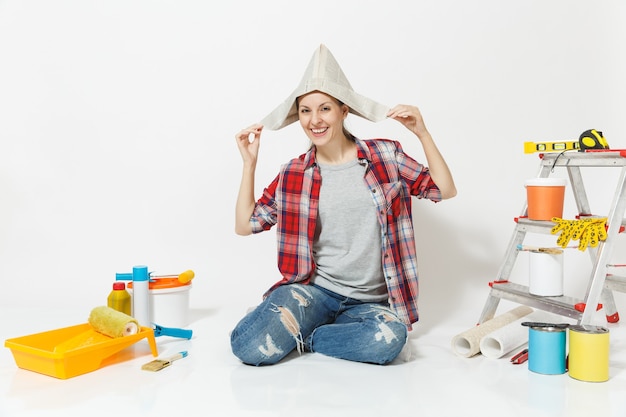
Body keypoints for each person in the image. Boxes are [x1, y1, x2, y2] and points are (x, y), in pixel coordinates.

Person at [231, 44, 457, 366]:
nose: (315, 120)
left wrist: (423, 133)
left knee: (390, 341)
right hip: (315, 293)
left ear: (344, 110)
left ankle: (309, 336)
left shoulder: (385, 156)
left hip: (371, 303)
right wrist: (249, 165)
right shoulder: (294, 173)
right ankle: (305, 321)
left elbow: (443, 190)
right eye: (306, 111)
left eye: (324, 108)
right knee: (249, 347)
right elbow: (245, 225)